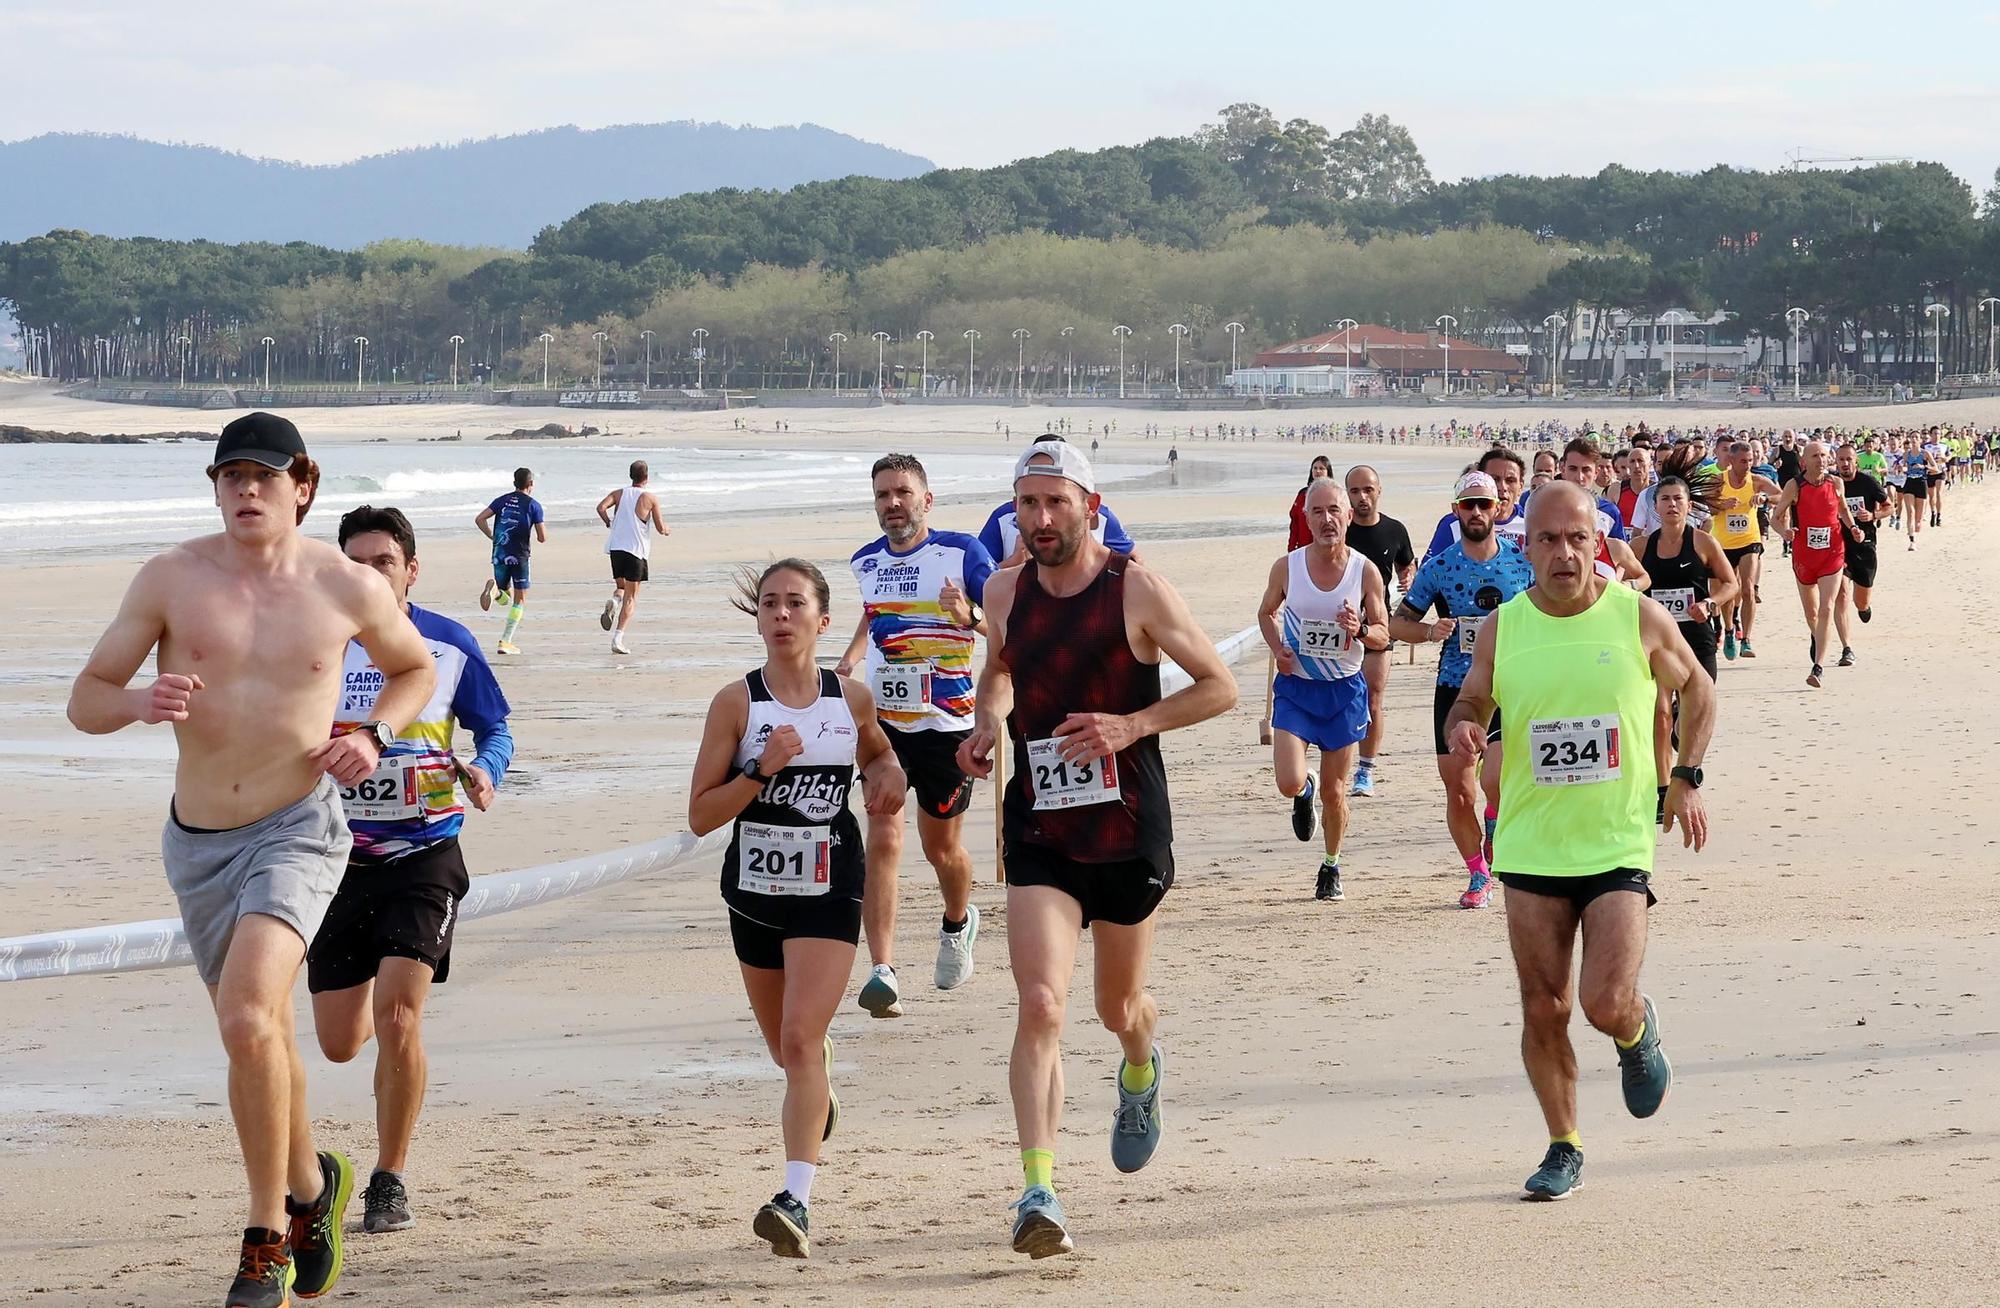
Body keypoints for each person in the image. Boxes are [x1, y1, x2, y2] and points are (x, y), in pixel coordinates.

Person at [66, 413, 436, 1307]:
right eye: (230, 476)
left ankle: (265, 1234)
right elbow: (85, 700)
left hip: (299, 828)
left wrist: (375, 734)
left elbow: (414, 669)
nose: (245, 490)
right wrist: (140, 701)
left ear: (301, 485)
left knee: (243, 1020)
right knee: (259, 1036)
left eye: (263, 477)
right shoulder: (171, 577)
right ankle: (314, 1190)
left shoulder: (346, 586)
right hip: (196, 845)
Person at [957, 442, 1235, 1258]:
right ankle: (1038, 1190)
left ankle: (1141, 1065)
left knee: (1117, 1008)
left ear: (1089, 503)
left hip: (1127, 828)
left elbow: (1218, 684)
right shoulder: (1005, 587)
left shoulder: (1136, 588)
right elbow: (1000, 671)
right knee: (1041, 1003)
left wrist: (1131, 724)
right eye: (1026, 506)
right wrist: (984, 723)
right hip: (1041, 823)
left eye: (1054, 503)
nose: (1039, 520)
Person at [1445, 480, 1712, 1202]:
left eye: (1577, 540)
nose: (1564, 554)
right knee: (1543, 1006)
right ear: (1523, 545)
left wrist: (1684, 775)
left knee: (1602, 1001)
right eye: (1548, 540)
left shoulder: (1637, 618)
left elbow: (1699, 690)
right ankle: (1564, 1144)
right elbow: (1471, 696)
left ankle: (1635, 1029)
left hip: (1617, 841)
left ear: (1599, 545)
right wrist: (1464, 724)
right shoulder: (1505, 626)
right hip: (1531, 845)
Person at [687, 559, 906, 1259]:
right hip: (752, 894)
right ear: (758, 620)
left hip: (830, 886)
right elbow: (700, 815)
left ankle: (795, 1200)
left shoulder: (852, 699)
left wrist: (889, 775)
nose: (780, 615)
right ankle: (816, 1097)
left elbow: (877, 756)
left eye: (794, 603)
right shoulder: (737, 705)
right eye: (769, 604)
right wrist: (759, 771)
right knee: (787, 1048)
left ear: (822, 619)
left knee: (804, 1039)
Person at [307, 504, 513, 1233]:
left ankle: (388, 1178)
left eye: (383, 562)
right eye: (354, 563)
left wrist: (484, 770)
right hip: (334, 861)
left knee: (399, 1019)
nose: (368, 574)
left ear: (411, 571)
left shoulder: (448, 644)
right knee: (339, 1042)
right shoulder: (315, 649)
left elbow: (496, 727)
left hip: (426, 854)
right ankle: (339, 1164)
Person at [833, 454, 995, 1017]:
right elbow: (873, 612)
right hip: (885, 725)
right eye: (882, 495)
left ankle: (958, 922)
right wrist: (853, 656)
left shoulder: (962, 552)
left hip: (949, 728)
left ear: (927, 499)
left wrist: (967, 614)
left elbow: (1009, 620)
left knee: (939, 848)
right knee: (882, 834)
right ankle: (883, 969)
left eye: (902, 492)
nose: (892, 503)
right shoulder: (865, 561)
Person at [1389, 471, 1535, 909]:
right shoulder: (1440, 566)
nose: (1476, 512)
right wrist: (1432, 631)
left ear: (1499, 509)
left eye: (1484, 505)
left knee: (1497, 781)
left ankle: (1494, 819)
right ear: (1456, 510)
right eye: (1467, 505)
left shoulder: (1520, 562)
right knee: (1458, 790)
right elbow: (1398, 624)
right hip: (1454, 687)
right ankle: (1477, 875)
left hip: (1509, 686)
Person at [1257, 479, 1390, 900]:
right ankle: (1303, 789)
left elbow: (1383, 634)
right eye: (1318, 511)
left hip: (1343, 692)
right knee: (1287, 781)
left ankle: (1331, 865)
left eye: (1335, 510)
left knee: (1336, 793)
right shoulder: (1288, 567)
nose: (1327, 519)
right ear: (1306, 517)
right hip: (1297, 688)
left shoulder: (1363, 570)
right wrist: (1278, 647)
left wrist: (1361, 629)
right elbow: (1266, 612)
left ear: (1349, 516)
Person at [1635, 478, 1735, 817]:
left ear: (1689, 505)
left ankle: (1685, 757)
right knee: (1660, 714)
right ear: (1656, 506)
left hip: (1696, 638)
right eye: (1665, 499)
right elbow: (1624, 586)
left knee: (1695, 708)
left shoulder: (1703, 542)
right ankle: (1663, 792)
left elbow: (1730, 583)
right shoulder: (1640, 547)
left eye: (1679, 499)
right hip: (1658, 643)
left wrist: (1709, 603)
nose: (1672, 505)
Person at [1342, 464, 1416, 797]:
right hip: (1337, 627)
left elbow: (1406, 563)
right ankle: (1337, 760)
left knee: (1373, 698)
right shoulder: (1338, 530)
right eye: (1355, 491)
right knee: (1339, 697)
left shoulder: (1394, 530)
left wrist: (1408, 578)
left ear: (1379, 491)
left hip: (1376, 626)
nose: (1361, 497)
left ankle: (1366, 770)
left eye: (1367, 490)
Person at [1770, 441, 1866, 688]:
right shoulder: (1795, 486)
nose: (1820, 459)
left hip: (1832, 553)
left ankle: (1818, 667)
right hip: (1804, 555)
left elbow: (1843, 510)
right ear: (1804, 461)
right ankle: (1818, 637)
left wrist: (1853, 527)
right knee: (1812, 613)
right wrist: (1784, 533)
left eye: (1824, 455)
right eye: (1815, 456)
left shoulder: (1836, 483)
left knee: (1827, 607)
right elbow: (1775, 518)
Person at [978, 434, 1138, 565]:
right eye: (1029, 502)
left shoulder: (1102, 517)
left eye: (1056, 501)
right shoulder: (1002, 517)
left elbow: (1134, 558)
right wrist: (1015, 561)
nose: (1043, 521)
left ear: (1090, 506)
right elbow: (977, 575)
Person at [1712, 440, 1782, 660]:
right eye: (1743, 461)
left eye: (1750, 460)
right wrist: (1720, 505)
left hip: (1749, 540)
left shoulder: (1757, 480)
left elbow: (1781, 494)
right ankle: (1730, 629)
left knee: (1747, 590)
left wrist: (1765, 498)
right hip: (1723, 543)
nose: (1747, 465)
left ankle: (1747, 639)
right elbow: (1699, 502)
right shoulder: (1718, 481)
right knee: (1728, 592)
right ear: (1731, 461)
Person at [597, 459, 670, 655]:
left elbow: (601, 508)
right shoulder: (650, 498)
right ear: (646, 477)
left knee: (621, 587)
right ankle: (618, 639)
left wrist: (608, 523)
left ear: (631, 476)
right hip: (636, 552)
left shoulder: (618, 494)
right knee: (632, 597)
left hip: (616, 550)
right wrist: (666, 531)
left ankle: (614, 601)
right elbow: (660, 527)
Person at [473, 467, 546, 655]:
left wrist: (493, 537)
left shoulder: (502, 500)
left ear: (514, 483)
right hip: (520, 555)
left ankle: (494, 590)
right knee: (519, 600)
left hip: (499, 553)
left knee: (504, 598)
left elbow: (480, 519)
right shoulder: (533, 505)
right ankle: (505, 641)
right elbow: (542, 537)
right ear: (530, 484)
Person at [1832, 442, 1889, 660]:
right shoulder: (1832, 483)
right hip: (1839, 547)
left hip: (1865, 546)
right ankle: (1847, 648)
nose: (1845, 464)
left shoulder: (1868, 482)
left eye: (1849, 459)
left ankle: (1864, 607)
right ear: (1835, 461)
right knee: (1842, 594)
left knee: (1861, 601)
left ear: (1856, 461)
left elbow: (1889, 506)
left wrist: (1873, 516)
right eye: (1841, 460)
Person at [1422, 446, 1528, 558]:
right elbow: (1428, 571)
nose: (1503, 487)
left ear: (1520, 486)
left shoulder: (1531, 525)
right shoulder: (1454, 524)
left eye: (1510, 480)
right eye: (1495, 479)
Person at [1288, 455, 1334, 550]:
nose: (1317, 471)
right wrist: (1291, 547)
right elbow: (1294, 523)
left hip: (1326, 548)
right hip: (1303, 547)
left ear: (1328, 472)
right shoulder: (1302, 494)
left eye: (1321, 468)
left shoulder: (1335, 494)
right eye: (1315, 468)